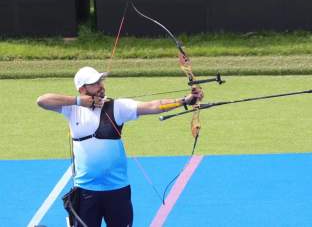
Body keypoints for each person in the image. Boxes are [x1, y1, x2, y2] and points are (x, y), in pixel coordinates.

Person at [36, 66, 203, 227]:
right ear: (82, 89)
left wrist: (184, 100)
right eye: (94, 84)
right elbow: (42, 101)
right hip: (86, 190)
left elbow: (152, 106)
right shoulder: (72, 109)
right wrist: (79, 101)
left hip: (117, 190)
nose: (100, 86)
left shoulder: (117, 107)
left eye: (100, 81)